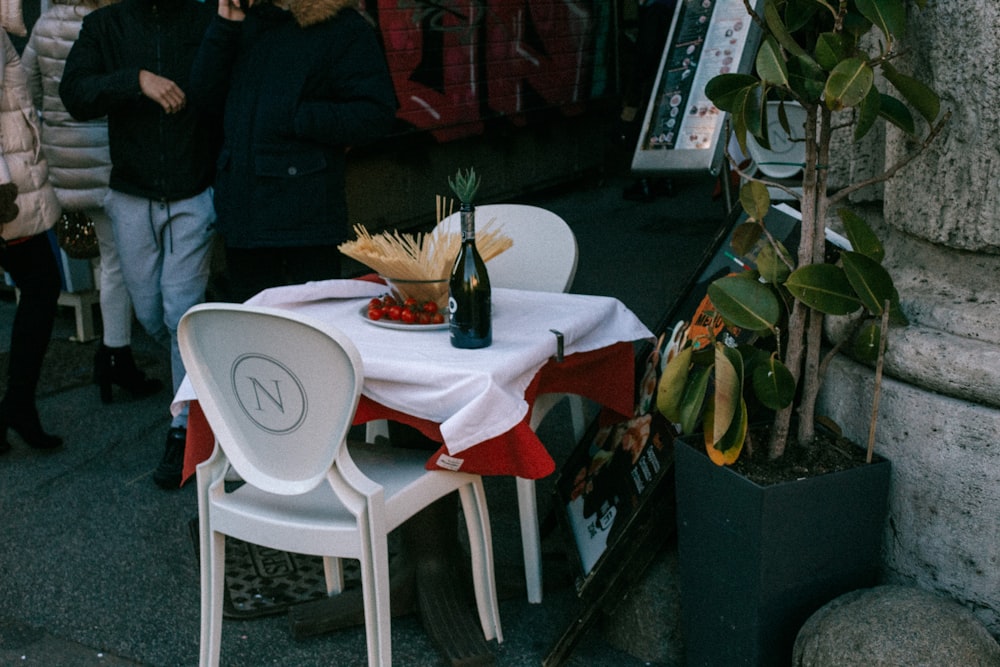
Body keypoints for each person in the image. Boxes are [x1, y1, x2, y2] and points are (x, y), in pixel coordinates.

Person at [59, 0, 220, 489]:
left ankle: (184, 429)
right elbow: (74, 94)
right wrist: (136, 80)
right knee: (151, 313)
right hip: (130, 194)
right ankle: (202, 379)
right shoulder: (105, 25)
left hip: (193, 192)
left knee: (179, 312)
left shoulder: (205, 18)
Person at [188, 0, 397, 303]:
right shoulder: (238, 21)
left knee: (313, 328)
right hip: (244, 214)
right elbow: (204, 97)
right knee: (257, 329)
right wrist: (225, 24)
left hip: (307, 217)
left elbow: (375, 113)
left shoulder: (340, 25)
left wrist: (298, 116)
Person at [22, 0, 164, 406]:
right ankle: (117, 353)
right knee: (120, 261)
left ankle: (114, 354)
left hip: (65, 160)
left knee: (110, 259)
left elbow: (31, 86)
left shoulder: (45, 22)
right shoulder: (112, 22)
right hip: (107, 155)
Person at [0, 29, 65, 453]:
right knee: (42, 284)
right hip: (7, 196)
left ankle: (17, 405)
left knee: (40, 285)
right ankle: (19, 403)